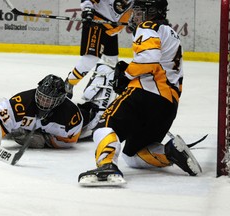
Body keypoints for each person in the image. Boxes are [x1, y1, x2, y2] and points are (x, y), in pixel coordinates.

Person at [78, 0, 202, 186]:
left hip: (145, 95)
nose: (135, 16)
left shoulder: (148, 26)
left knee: (104, 126)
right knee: (133, 155)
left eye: (139, 11)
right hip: (168, 106)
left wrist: (126, 76)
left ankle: (106, 166)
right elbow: (158, 63)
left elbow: (149, 59)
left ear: (152, 11)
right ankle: (169, 152)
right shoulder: (171, 33)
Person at [0, 74, 83, 156]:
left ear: (59, 100)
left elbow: (70, 141)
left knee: (36, 140)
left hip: (53, 137)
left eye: (49, 100)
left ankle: (17, 130)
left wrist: (46, 141)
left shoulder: (70, 114)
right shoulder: (23, 100)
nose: (43, 102)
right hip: (32, 125)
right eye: (41, 97)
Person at [65, 0, 135, 139]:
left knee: (110, 64)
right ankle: (68, 84)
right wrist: (87, 10)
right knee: (90, 58)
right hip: (97, 21)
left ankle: (101, 102)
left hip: (112, 29)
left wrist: (137, 20)